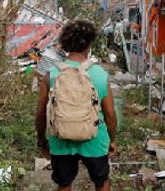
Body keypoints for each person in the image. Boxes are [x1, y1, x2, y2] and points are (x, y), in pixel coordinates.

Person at [36, 20, 117, 191]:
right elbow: (110, 114)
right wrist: (112, 139)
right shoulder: (99, 74)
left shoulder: (51, 75)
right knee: (101, 182)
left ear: (65, 44)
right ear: (88, 44)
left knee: (64, 184)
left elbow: (40, 114)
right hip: (94, 139)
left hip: (60, 139)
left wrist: (42, 141)